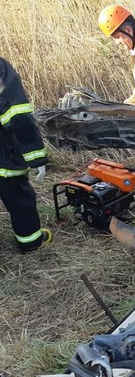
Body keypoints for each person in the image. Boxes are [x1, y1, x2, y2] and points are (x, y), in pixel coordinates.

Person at [0, 57, 52, 252]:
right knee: (19, 199)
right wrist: (35, 156)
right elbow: (17, 114)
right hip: (3, 158)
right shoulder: (1, 70)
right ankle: (30, 241)